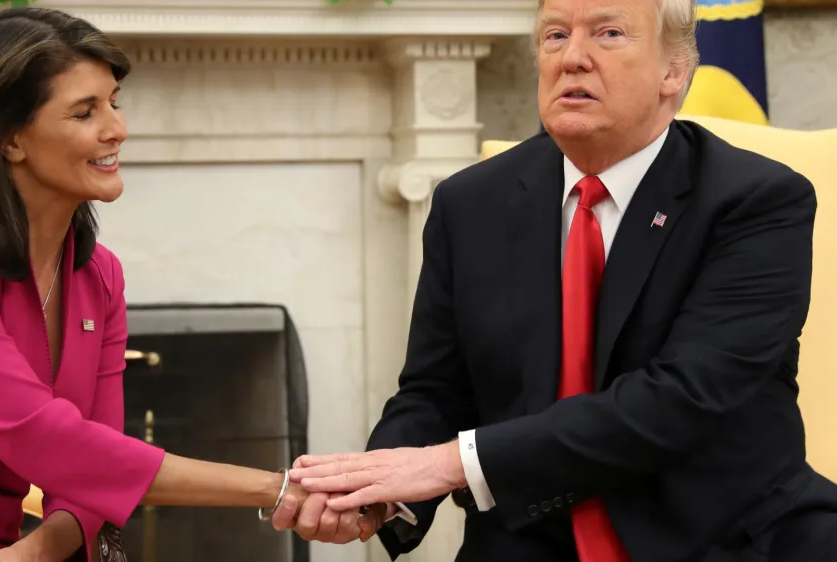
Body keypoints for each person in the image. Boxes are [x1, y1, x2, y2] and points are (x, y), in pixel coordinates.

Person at [272, 0, 837, 559]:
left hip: (721, 534)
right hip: (532, 538)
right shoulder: (470, 204)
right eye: (554, 35)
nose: (573, 58)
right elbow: (436, 390)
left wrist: (446, 465)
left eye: (609, 33)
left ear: (674, 70)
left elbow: (683, 399)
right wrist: (380, 493)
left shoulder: (756, 201)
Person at [0, 7, 345, 562]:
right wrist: (278, 488)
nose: (117, 129)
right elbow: (42, 438)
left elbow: (95, 464)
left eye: (114, 102)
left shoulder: (98, 274)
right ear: (10, 139)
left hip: (2, 546)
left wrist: (34, 553)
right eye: (85, 112)